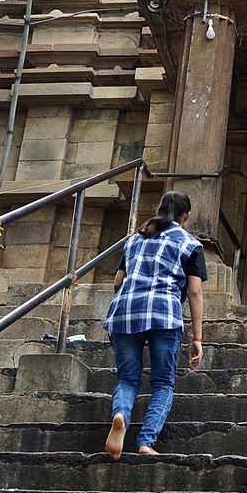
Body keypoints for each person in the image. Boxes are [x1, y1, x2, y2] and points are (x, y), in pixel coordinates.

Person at [103, 190, 207, 460]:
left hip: (125, 311)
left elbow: (117, 283)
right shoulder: (190, 243)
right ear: (186, 216)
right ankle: (146, 441)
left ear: (160, 209)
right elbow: (195, 292)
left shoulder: (135, 239)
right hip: (165, 314)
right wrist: (197, 338)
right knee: (162, 383)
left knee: (127, 378)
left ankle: (120, 416)